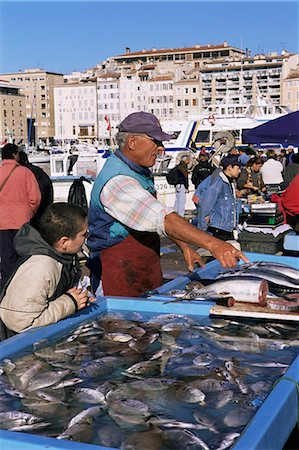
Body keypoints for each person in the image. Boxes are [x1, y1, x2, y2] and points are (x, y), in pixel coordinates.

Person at [87, 112, 248, 297]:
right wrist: (214, 245)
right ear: (132, 142)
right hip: (115, 277)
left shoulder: (138, 171)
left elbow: (156, 214)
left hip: (141, 271)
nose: (161, 148)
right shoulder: (118, 182)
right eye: (155, 141)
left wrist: (184, 246)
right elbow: (161, 218)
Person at [0, 202, 94, 338]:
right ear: (64, 242)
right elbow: (20, 322)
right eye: (83, 234)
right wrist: (70, 302)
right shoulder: (40, 267)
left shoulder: (64, 256)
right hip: (18, 344)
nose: (86, 238)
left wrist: (81, 298)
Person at [0, 143, 41, 293]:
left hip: (2, 223)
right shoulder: (25, 173)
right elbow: (35, 198)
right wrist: (29, 211)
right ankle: (23, 288)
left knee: (6, 258)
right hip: (22, 221)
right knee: (24, 256)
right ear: (15, 155)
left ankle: (6, 290)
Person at [195, 155, 242, 241]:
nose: (239, 171)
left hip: (227, 227)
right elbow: (206, 204)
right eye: (238, 168)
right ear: (229, 167)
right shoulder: (218, 183)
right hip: (219, 228)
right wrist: (202, 230)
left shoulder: (230, 183)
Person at [18, 151, 54, 227]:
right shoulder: (41, 173)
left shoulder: (20, 175)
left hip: (26, 216)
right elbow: (49, 192)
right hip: (43, 213)